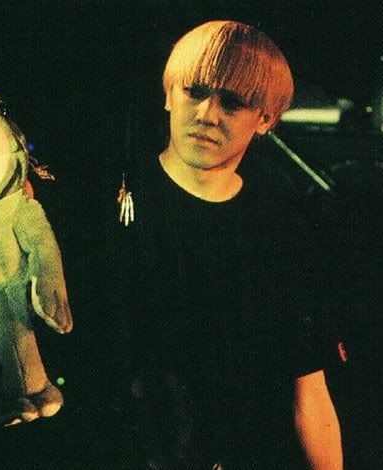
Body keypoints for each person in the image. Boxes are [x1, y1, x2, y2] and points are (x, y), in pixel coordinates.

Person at [119, 20, 343, 470]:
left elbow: (309, 391)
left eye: (233, 102)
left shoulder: (281, 227)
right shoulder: (115, 199)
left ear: (265, 120)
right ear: (168, 94)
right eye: (195, 91)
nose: (207, 114)